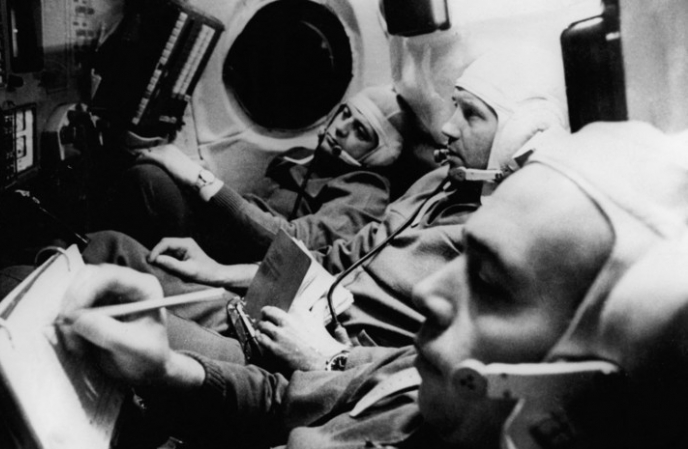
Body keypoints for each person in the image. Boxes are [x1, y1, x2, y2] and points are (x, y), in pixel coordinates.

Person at [61, 121, 688, 449]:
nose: (427, 294)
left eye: (489, 281)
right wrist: (165, 369)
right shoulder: (417, 375)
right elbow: (281, 402)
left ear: (584, 395)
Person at [82, 44, 569, 370]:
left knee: (102, 302)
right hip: (285, 306)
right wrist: (220, 272)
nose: (448, 128)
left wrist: (328, 359)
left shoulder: (497, 246)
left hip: (307, 348)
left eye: (472, 115)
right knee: (110, 247)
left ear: (516, 138)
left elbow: (416, 368)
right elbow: (334, 261)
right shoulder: (436, 184)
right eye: (455, 107)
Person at [98, 84, 418, 261]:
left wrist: (199, 178)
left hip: (241, 259)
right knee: (139, 167)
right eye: (345, 114)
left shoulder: (367, 191)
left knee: (149, 181)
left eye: (361, 132)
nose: (342, 127)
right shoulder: (306, 159)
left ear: (380, 154)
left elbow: (293, 244)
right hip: (228, 235)